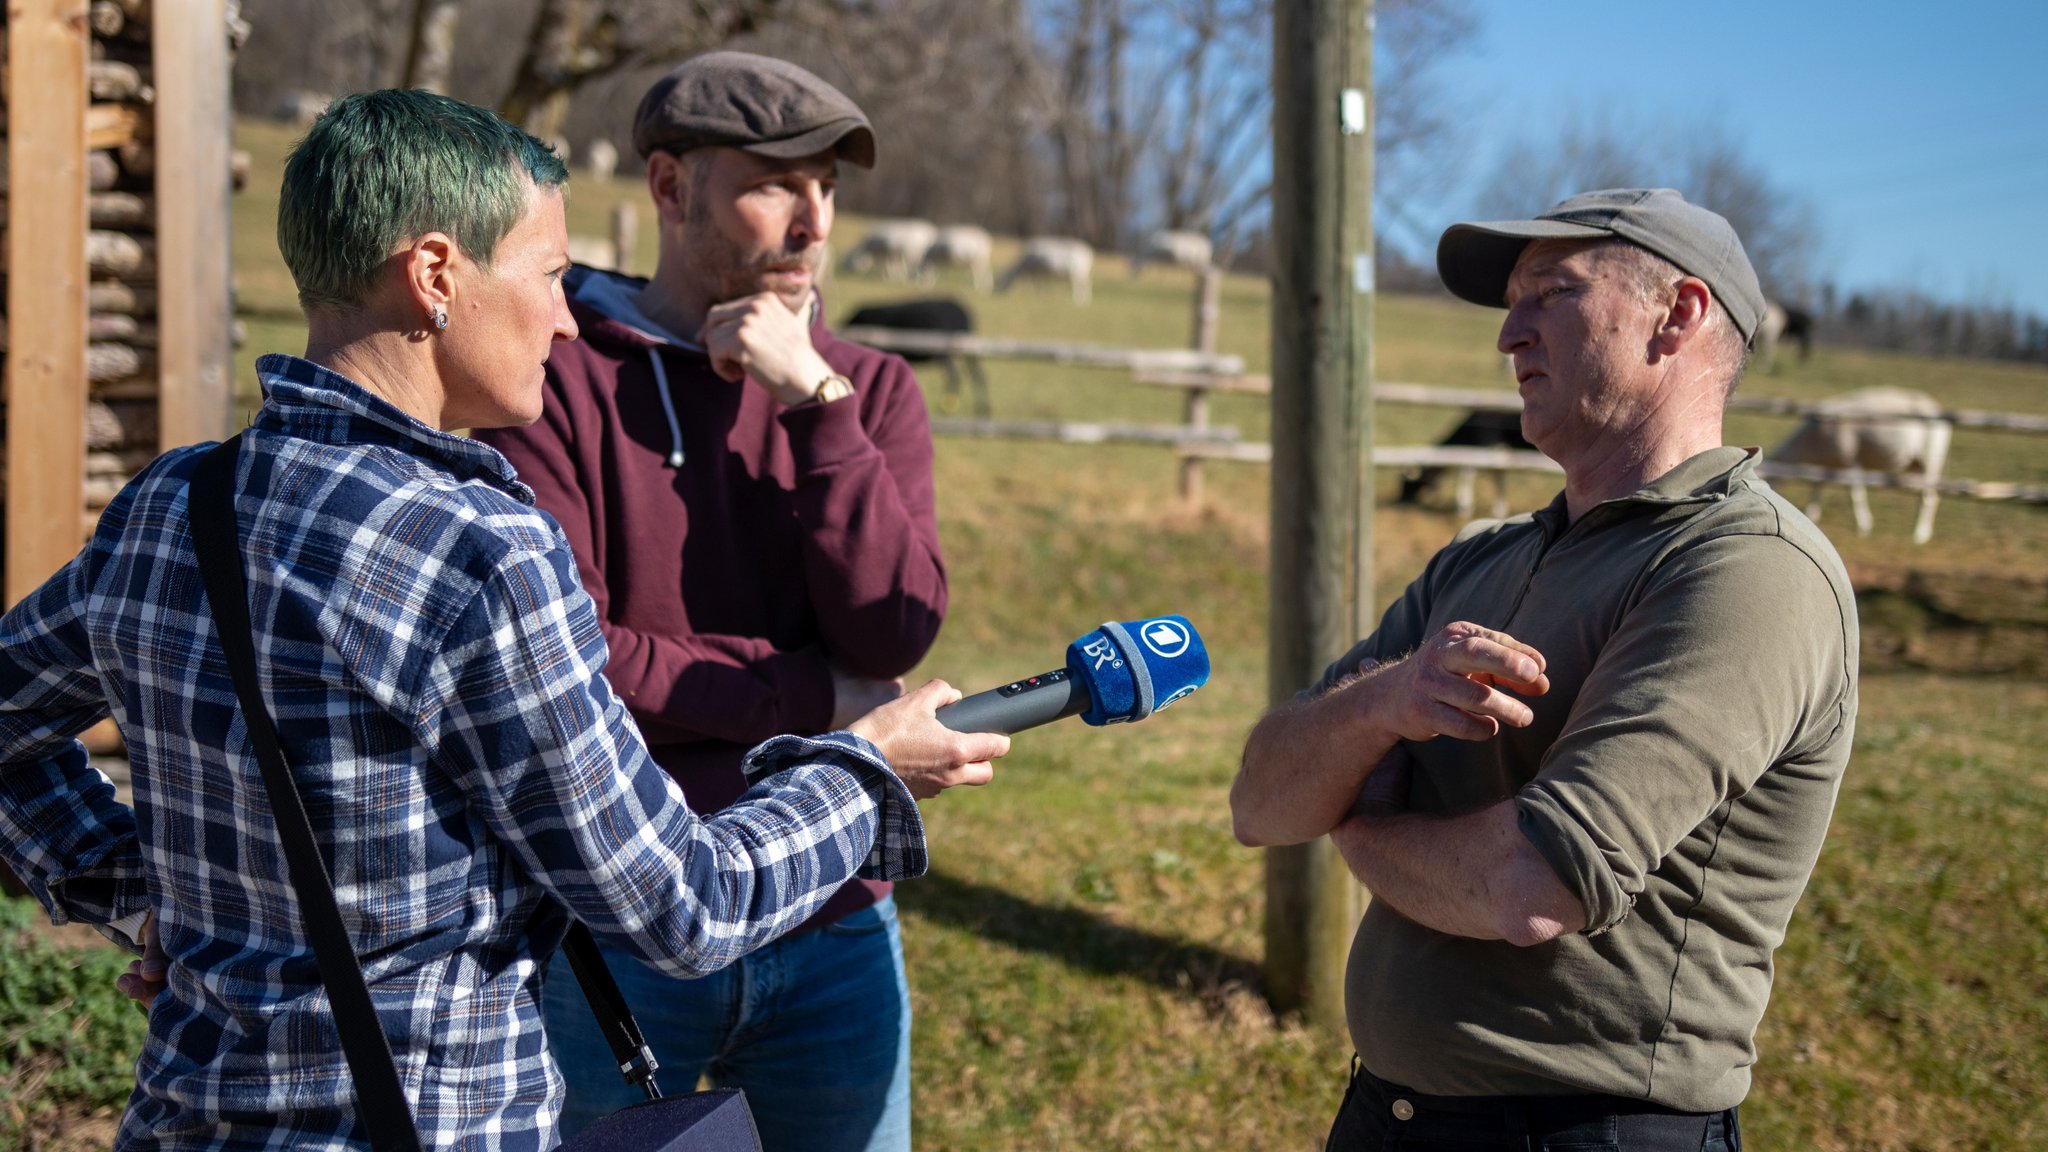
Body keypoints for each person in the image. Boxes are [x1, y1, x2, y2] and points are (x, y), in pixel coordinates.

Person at [0, 88, 1006, 1151]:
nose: (569, 319)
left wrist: (146, 899)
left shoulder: (173, 504)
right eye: (551, 276)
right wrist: (866, 767)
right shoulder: (479, 548)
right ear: (436, 275)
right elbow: (680, 905)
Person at [1231, 189, 1858, 1151]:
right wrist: (1383, 705)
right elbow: (1263, 803)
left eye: (1551, 294)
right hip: (1387, 1114)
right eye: (1510, 303)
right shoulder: (1482, 558)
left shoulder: (1749, 568)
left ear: (1678, 314)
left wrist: (1355, 816)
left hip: (1587, 1129)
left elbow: (1530, 887)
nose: (1508, 337)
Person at [472, 52, 946, 1152]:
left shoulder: (868, 390)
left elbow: (896, 630)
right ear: (671, 187)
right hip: (615, 916)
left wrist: (814, 405)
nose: (812, 222)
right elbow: (568, 667)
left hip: (837, 913)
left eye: (827, 186)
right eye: (777, 183)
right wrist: (822, 700)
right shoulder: (555, 373)